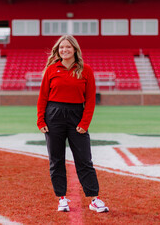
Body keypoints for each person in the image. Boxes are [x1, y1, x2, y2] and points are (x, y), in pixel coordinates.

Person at [37, 35, 109, 213]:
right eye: (61, 48)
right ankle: (61, 198)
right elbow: (43, 97)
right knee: (56, 159)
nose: (64, 50)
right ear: (58, 50)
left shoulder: (86, 71)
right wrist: (40, 120)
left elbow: (91, 100)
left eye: (68, 47)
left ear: (75, 50)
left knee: (84, 159)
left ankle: (94, 199)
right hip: (53, 115)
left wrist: (85, 122)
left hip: (77, 116)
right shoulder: (51, 69)